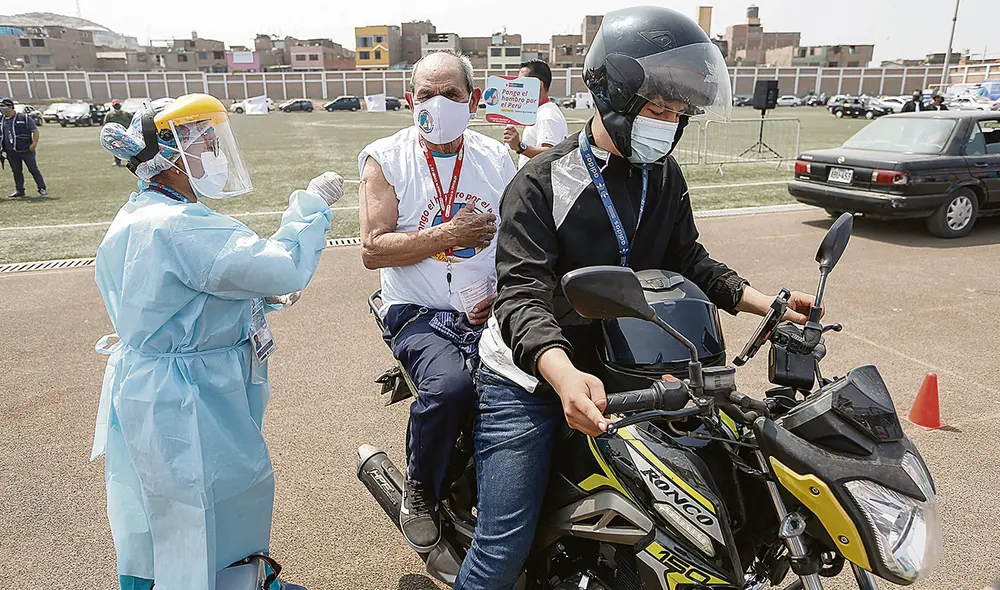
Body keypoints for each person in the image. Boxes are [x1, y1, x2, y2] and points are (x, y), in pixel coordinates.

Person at [457, 8, 820, 589]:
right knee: (504, 544)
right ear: (612, 96)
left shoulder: (664, 174)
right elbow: (521, 295)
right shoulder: (541, 182)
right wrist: (562, 375)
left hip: (626, 361)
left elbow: (687, 259)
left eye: (679, 115)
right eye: (657, 111)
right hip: (531, 373)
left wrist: (766, 305)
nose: (669, 126)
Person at [92, 93, 344, 590]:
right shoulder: (183, 226)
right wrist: (310, 206)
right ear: (170, 156)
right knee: (213, 499)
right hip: (193, 395)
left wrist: (244, 307)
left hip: (154, 383)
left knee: (158, 509)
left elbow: (178, 299)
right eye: (205, 141)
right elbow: (280, 268)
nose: (215, 152)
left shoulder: (141, 213)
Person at [358, 50, 516, 553]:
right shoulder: (386, 157)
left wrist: (503, 293)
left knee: (540, 378)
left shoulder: (496, 159)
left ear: (471, 100)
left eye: (451, 93)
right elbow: (373, 250)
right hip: (418, 312)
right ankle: (420, 491)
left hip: (488, 305)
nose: (439, 103)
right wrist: (450, 232)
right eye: (427, 94)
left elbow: (516, 240)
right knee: (449, 389)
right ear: (411, 101)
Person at [502, 59, 569, 168]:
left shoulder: (547, 116)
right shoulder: (542, 112)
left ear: (539, 85)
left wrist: (520, 147)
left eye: (522, 82)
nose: (518, 87)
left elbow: (549, 154)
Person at [1, 97, 47, 198]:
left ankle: (42, 189)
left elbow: (35, 131)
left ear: (10, 106)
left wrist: (34, 144)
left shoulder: (23, 118)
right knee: (16, 171)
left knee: (33, 169)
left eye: (3, 106)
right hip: (10, 150)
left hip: (26, 149)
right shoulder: (2, 120)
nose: (1, 109)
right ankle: (19, 190)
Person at [104, 99, 132, 167]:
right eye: (115, 105)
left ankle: (131, 161)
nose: (117, 106)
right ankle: (117, 161)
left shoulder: (126, 114)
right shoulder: (109, 115)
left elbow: (132, 121)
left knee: (129, 147)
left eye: (118, 105)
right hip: (115, 134)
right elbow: (106, 124)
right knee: (116, 148)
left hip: (126, 133)